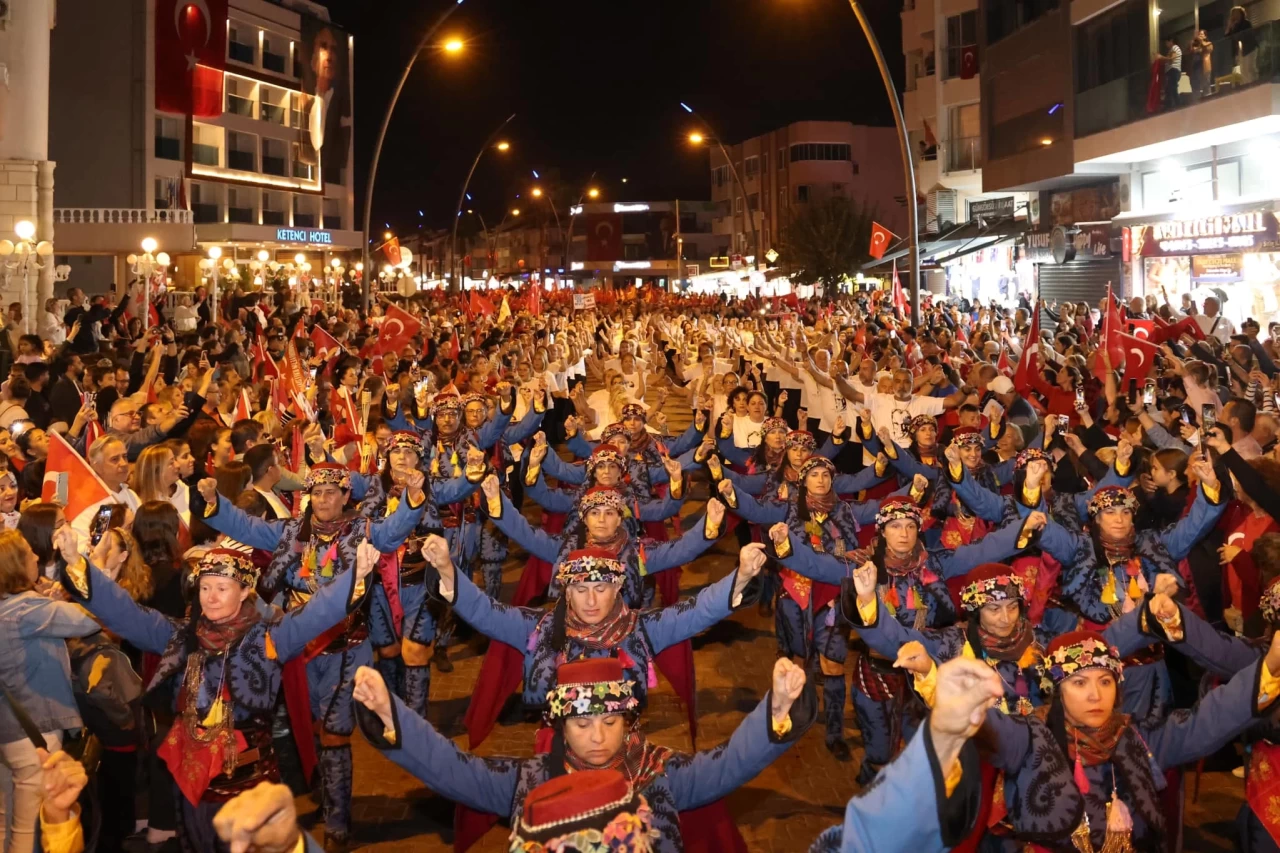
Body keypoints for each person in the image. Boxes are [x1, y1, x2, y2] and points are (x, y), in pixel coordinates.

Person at [57, 527, 378, 853]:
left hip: (249, 790)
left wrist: (357, 574)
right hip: (193, 789)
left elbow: (315, 613)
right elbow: (127, 613)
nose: (210, 596)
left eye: (221, 588)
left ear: (243, 593)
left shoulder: (269, 638)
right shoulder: (180, 636)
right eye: (205, 587)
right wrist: (76, 563)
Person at [352, 654, 812, 852]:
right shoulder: (531, 779)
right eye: (582, 723)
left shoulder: (660, 773)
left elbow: (729, 764)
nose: (597, 737)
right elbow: (454, 770)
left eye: (610, 723)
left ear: (629, 721)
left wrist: (776, 709)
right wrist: (394, 719)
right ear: (557, 726)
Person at [0, 529, 100, 853]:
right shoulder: (28, 609)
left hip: (8, 731)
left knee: (7, 824)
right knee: (32, 830)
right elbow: (90, 619)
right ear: (15, 565)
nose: (36, 557)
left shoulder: (13, 607)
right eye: (28, 552)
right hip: (34, 733)